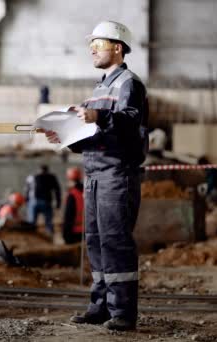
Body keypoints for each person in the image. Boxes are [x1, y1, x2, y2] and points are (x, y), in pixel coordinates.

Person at [39, 21, 148, 331]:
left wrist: (97, 115)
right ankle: (100, 306)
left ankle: (123, 312)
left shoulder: (129, 83)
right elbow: (96, 133)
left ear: (118, 47)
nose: (92, 49)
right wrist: (68, 137)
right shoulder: (99, 88)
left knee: (115, 241)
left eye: (98, 43)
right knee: (96, 242)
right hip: (95, 173)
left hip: (117, 172)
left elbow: (128, 121)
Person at [24, 164, 61, 237]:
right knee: (49, 223)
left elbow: (26, 190)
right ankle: (50, 237)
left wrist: (27, 202)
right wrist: (58, 203)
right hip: (46, 202)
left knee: (31, 223)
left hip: (33, 202)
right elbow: (57, 190)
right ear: (47, 170)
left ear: (39, 170)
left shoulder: (31, 177)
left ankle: (31, 238)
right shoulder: (51, 177)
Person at [62, 167, 84, 244]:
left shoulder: (72, 194)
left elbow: (69, 216)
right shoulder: (87, 192)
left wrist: (65, 235)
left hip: (75, 232)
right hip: (88, 230)